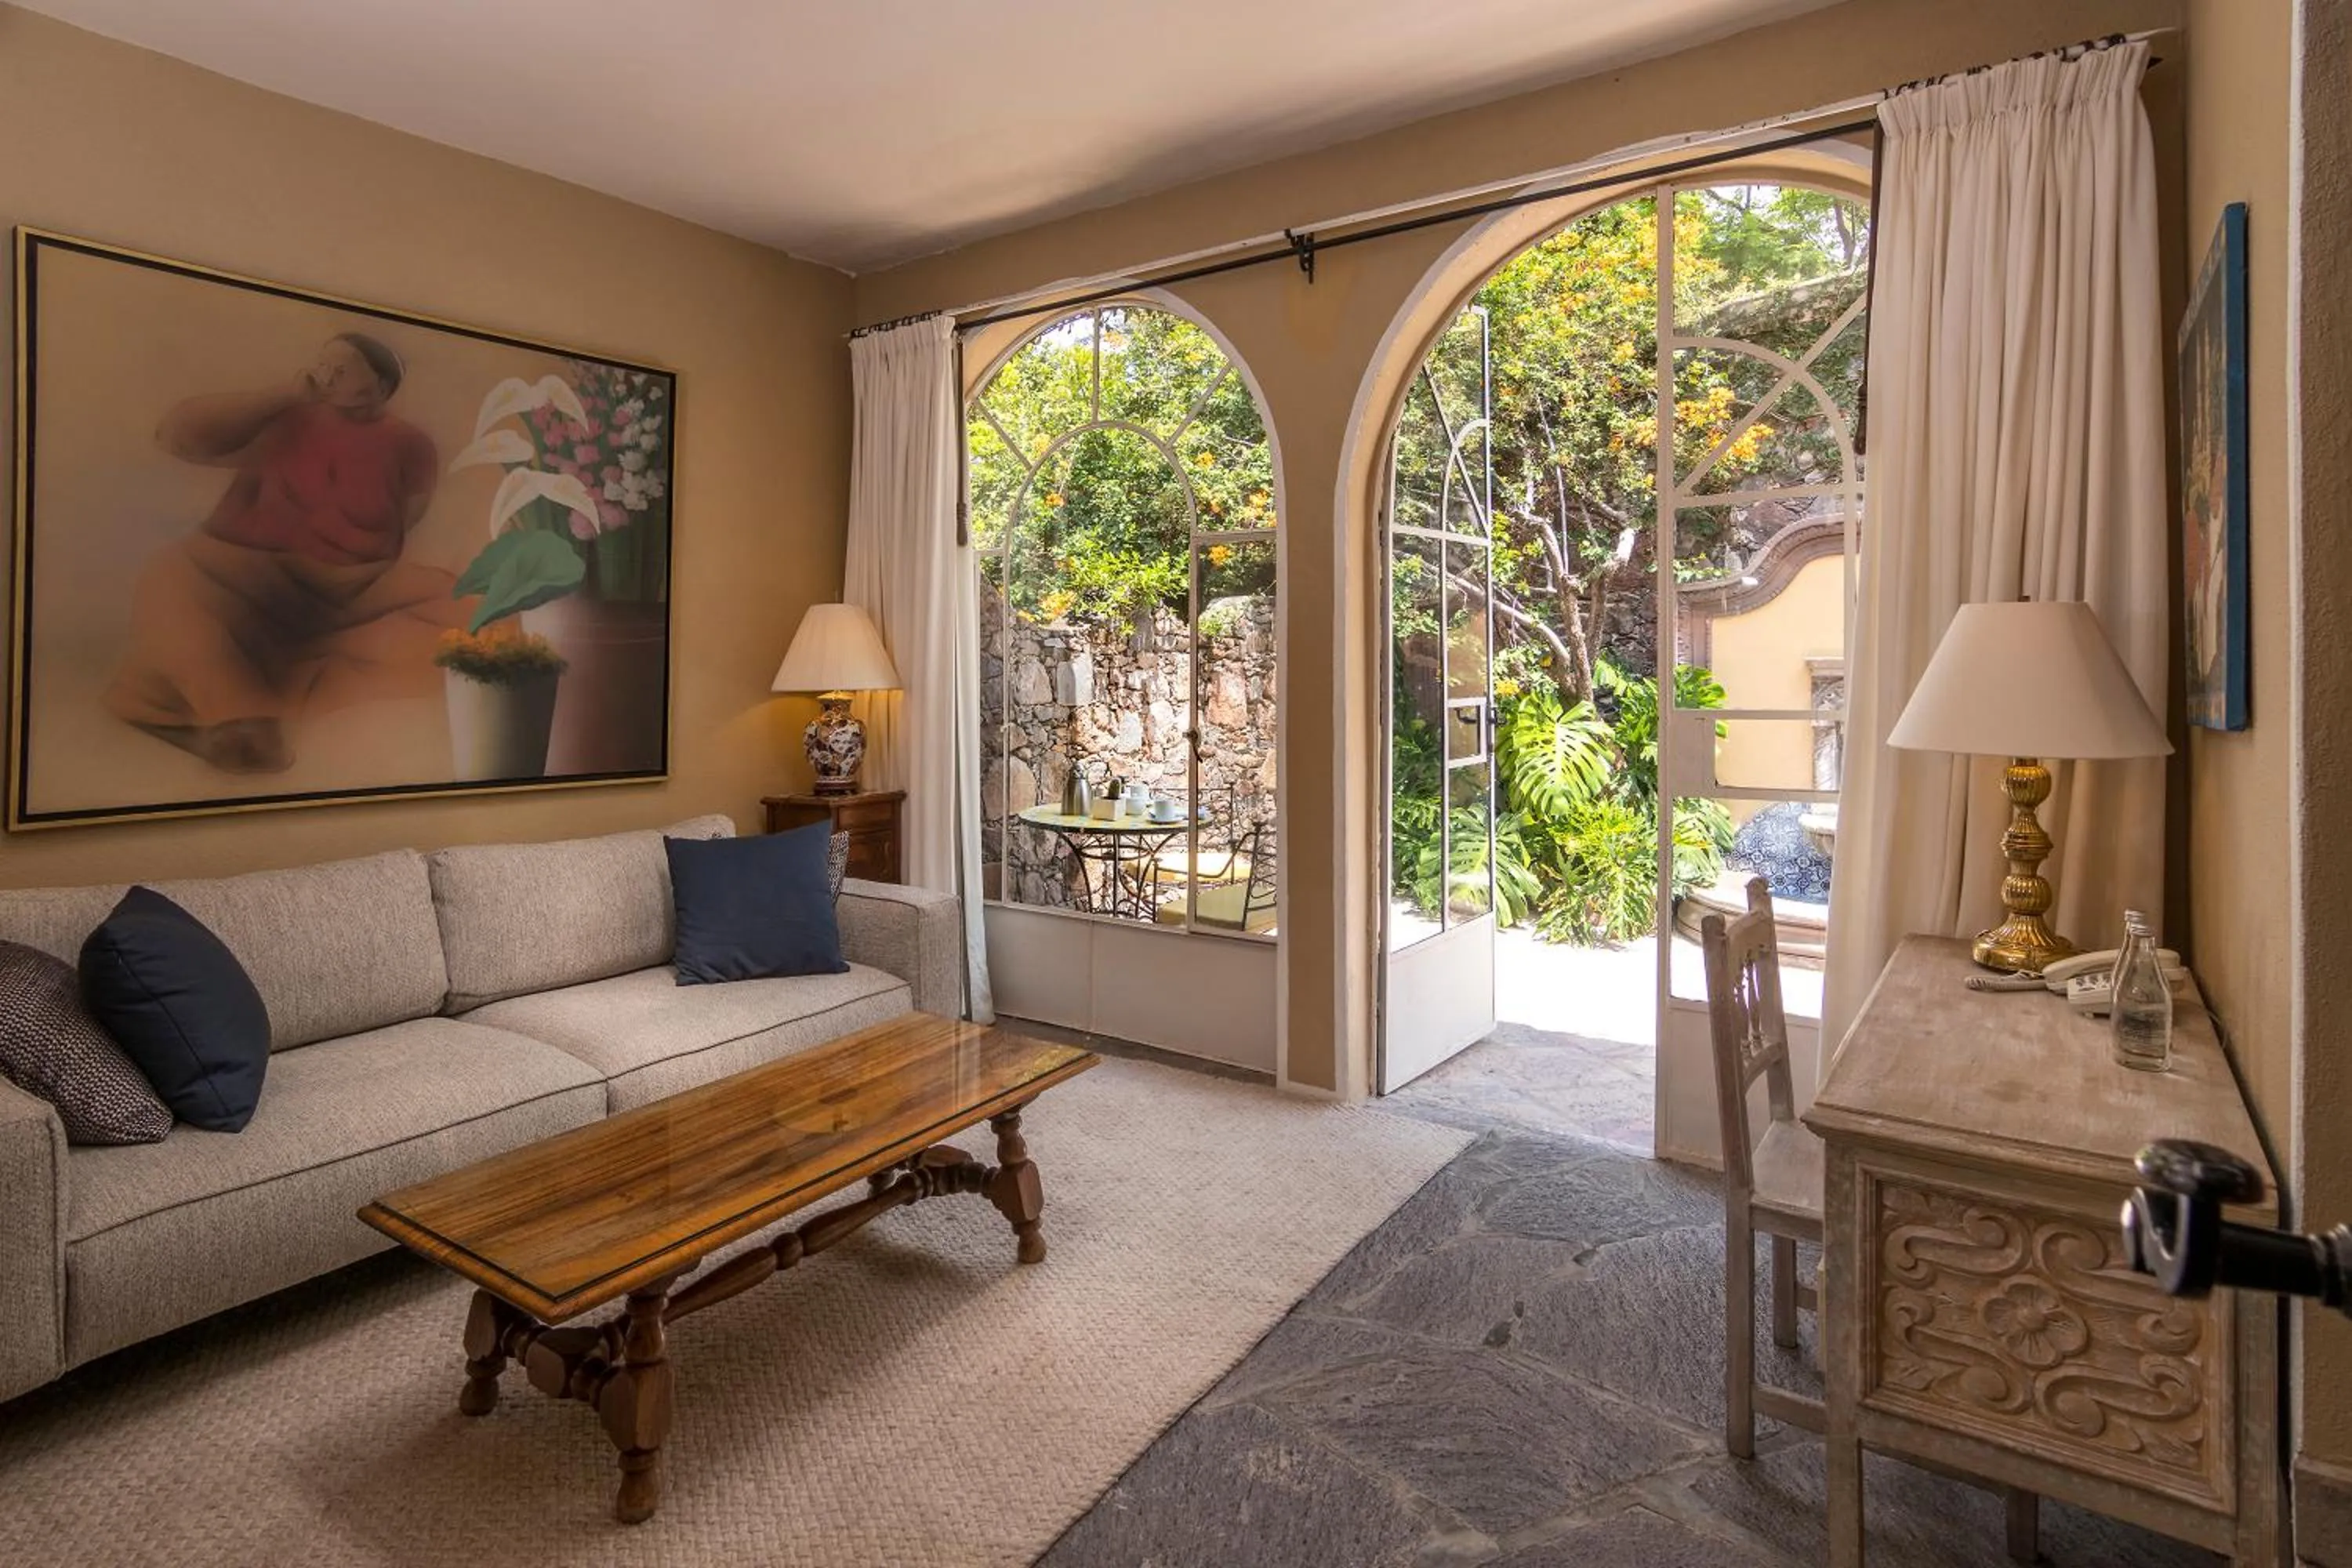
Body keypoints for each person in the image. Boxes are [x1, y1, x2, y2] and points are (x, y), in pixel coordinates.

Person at [105, 331, 463, 774]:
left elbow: (407, 516)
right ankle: (242, 721)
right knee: (171, 577)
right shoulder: (286, 417)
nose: (326, 375)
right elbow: (177, 436)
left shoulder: (412, 445)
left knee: (473, 609)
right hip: (243, 571)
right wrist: (285, 394)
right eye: (323, 364)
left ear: (382, 388)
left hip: (351, 587)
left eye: (343, 369)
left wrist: (351, 571)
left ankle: (243, 696)